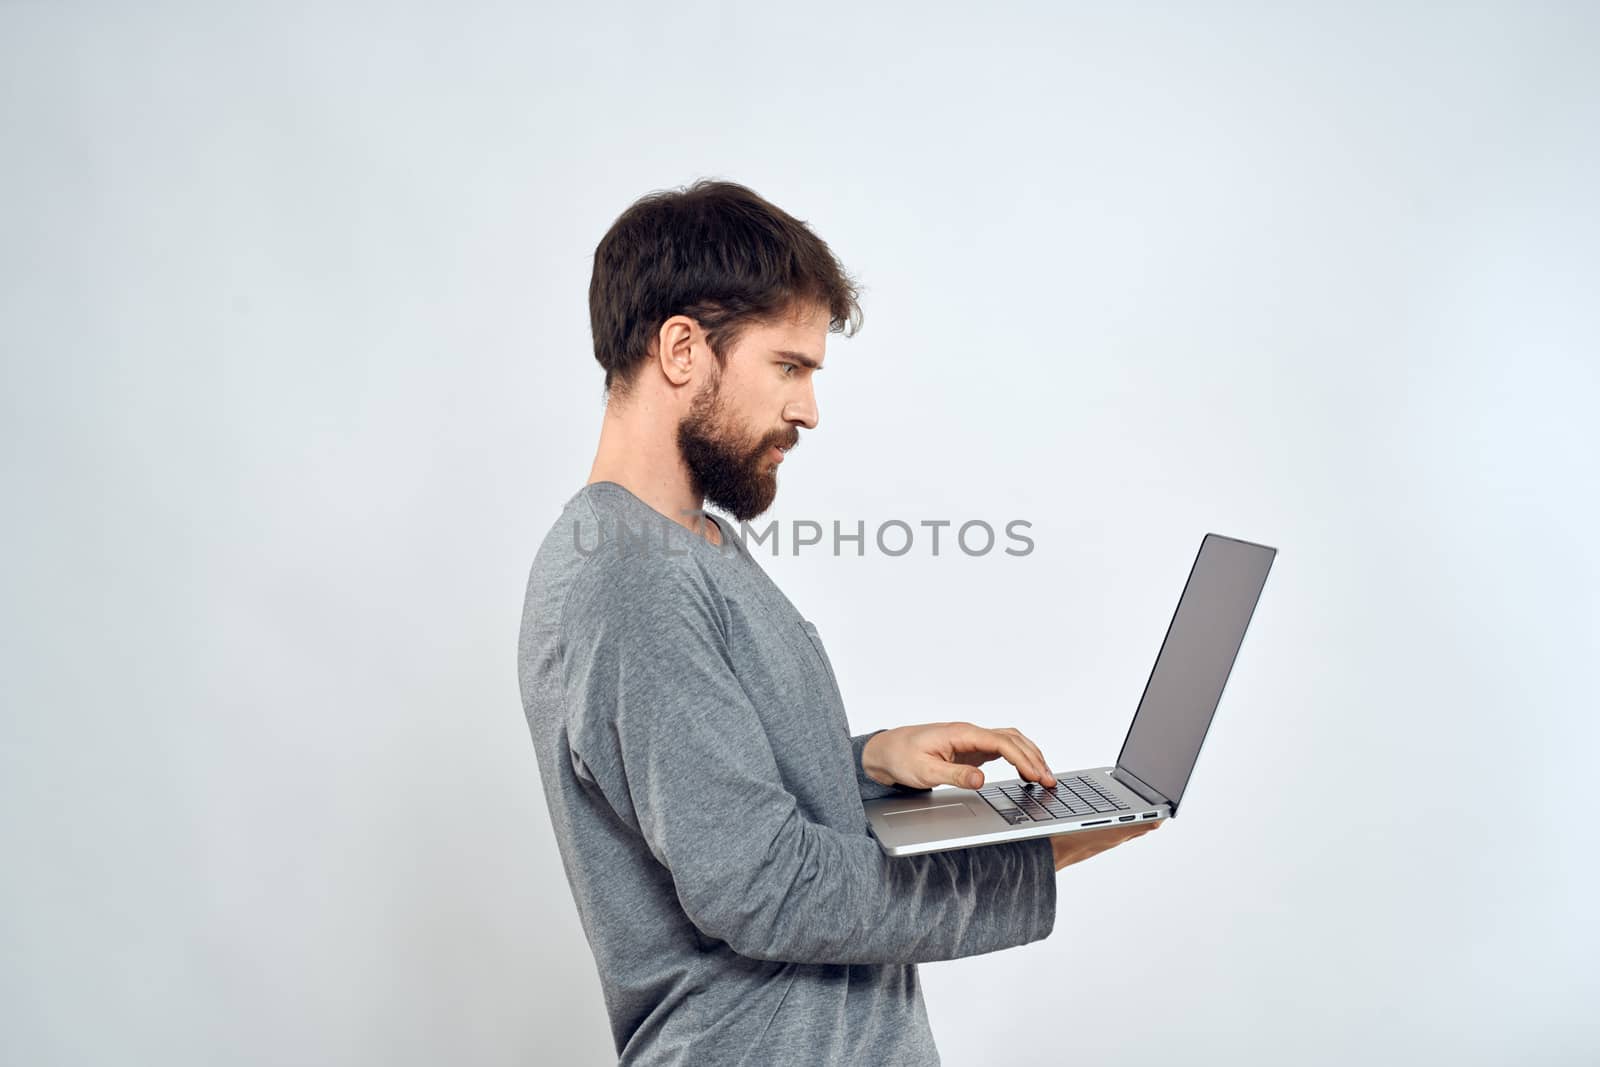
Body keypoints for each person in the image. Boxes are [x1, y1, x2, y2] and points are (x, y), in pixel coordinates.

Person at [516, 178, 1159, 1065]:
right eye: (788, 365)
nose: (808, 408)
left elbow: (708, 796)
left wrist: (868, 762)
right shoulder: (626, 577)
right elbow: (764, 886)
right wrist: (1039, 852)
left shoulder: (693, 544)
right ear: (681, 350)